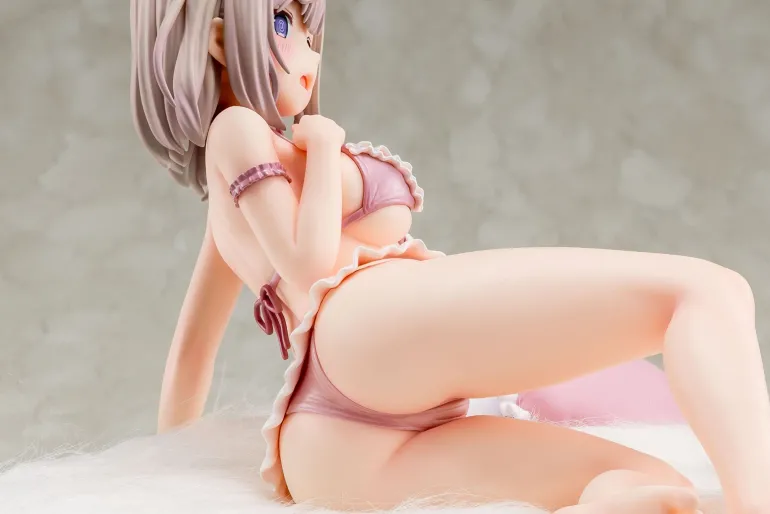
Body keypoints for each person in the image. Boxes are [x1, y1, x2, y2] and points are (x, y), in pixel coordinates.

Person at [130, 1, 770, 511]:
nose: (310, 55)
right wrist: (324, 151)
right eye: (281, 23)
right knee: (706, 292)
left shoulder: (230, 205)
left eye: (308, 30)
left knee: (650, 485)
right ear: (218, 41)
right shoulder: (239, 129)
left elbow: (192, 353)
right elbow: (308, 265)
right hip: (364, 331)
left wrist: (155, 476)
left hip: (335, 448)